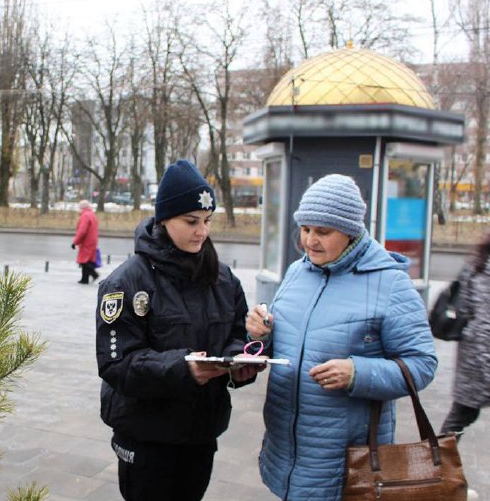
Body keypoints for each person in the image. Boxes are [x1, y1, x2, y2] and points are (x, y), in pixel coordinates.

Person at [246, 174, 438, 501]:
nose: (309, 241)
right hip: (286, 455)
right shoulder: (296, 273)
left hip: (346, 465)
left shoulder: (390, 284)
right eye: (305, 229)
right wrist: (262, 335)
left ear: (350, 232)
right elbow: (284, 344)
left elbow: (423, 364)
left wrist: (356, 374)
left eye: (323, 232)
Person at [95, 160, 260, 501]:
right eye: (191, 222)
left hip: (200, 432)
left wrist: (240, 359)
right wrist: (183, 367)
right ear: (164, 218)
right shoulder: (126, 282)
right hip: (145, 435)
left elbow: (234, 336)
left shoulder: (223, 278)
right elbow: (116, 364)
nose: (202, 231)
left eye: (206, 221)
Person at [440, 231, 490, 440]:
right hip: (480, 355)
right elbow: (484, 324)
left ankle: (436, 465)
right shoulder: (483, 267)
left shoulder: (479, 260)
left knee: (459, 418)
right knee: (459, 417)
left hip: (474, 354)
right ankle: (436, 465)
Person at [72, 199, 99, 284]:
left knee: (84, 261)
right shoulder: (92, 215)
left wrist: (75, 242)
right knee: (87, 260)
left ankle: (94, 274)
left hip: (86, 241)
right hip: (92, 240)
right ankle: (84, 279)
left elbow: (82, 231)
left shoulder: (85, 216)